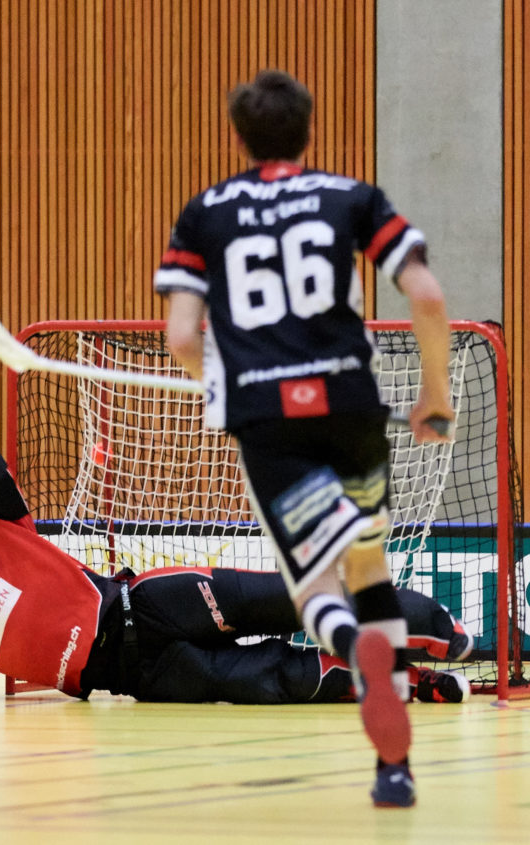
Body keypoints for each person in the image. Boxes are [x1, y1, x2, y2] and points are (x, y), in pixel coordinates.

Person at [153, 70, 455, 806]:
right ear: (309, 130)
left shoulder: (205, 212)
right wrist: (435, 397)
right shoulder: (349, 195)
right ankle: (395, 768)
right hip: (352, 403)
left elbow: (182, 334)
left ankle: (356, 652)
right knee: (368, 566)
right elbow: (426, 293)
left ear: (240, 138)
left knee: (317, 587)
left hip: (268, 417)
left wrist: (219, 376)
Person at [0, 441, 472, 707]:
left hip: (151, 603)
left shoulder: (0, 532)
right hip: (139, 675)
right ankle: (412, 683)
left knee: (295, 601)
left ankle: (433, 625)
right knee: (279, 677)